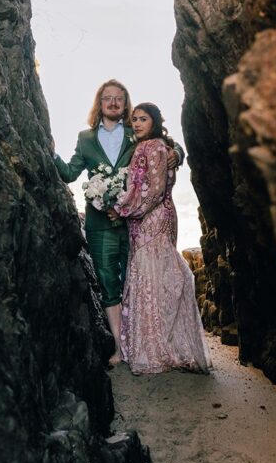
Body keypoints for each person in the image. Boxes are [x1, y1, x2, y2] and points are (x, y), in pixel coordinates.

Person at [55, 80, 183, 365]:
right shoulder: (85, 138)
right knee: (108, 282)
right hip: (100, 224)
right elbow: (69, 173)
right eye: (107, 98)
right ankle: (119, 346)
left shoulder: (134, 133)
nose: (113, 103)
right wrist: (49, 151)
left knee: (134, 282)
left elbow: (163, 143)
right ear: (99, 103)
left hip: (134, 224)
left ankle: (140, 343)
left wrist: (178, 154)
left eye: (119, 99)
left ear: (125, 104)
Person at [110, 102, 211, 375]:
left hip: (151, 218)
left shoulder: (149, 147)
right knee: (158, 277)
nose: (138, 123)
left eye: (144, 118)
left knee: (150, 278)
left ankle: (154, 349)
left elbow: (151, 191)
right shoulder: (161, 147)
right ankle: (165, 343)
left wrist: (121, 209)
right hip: (163, 215)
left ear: (154, 122)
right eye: (135, 119)